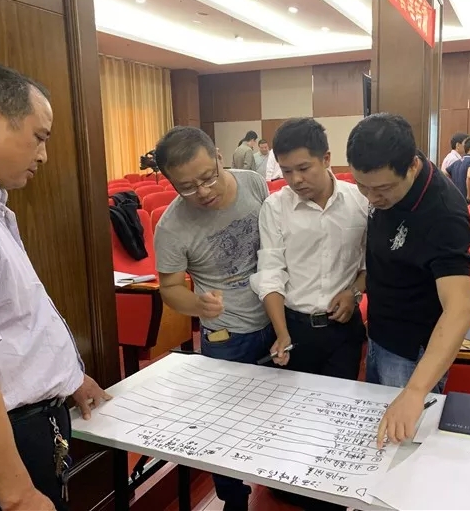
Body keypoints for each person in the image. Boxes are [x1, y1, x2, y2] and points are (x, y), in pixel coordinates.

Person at [0, 63, 110, 511]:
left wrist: (66, 377)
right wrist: (18, 497)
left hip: (27, 429)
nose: (43, 155)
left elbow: (14, 323)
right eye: (39, 137)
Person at [153, 126, 272, 511]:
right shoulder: (171, 226)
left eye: (208, 177)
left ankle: (278, 482)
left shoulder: (253, 183)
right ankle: (234, 499)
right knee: (222, 425)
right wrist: (197, 305)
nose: (203, 192)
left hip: (276, 321)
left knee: (278, 413)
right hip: (226, 335)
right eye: (187, 187)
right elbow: (170, 287)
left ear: (220, 157)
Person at [346, 113, 470, 449]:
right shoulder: (383, 183)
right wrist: (357, 289)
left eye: (383, 189)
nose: (371, 198)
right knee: (375, 438)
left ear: (413, 166)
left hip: (411, 353)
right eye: (362, 186)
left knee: (400, 447)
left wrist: (416, 391)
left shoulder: (442, 213)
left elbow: (459, 309)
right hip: (379, 332)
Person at [251, 118, 368, 382]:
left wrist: (353, 293)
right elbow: (270, 273)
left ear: (326, 159)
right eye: (286, 171)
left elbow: (371, 264)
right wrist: (282, 333)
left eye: (304, 168)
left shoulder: (360, 201)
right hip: (295, 328)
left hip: (343, 329)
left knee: (340, 400)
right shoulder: (275, 207)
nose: (296, 179)